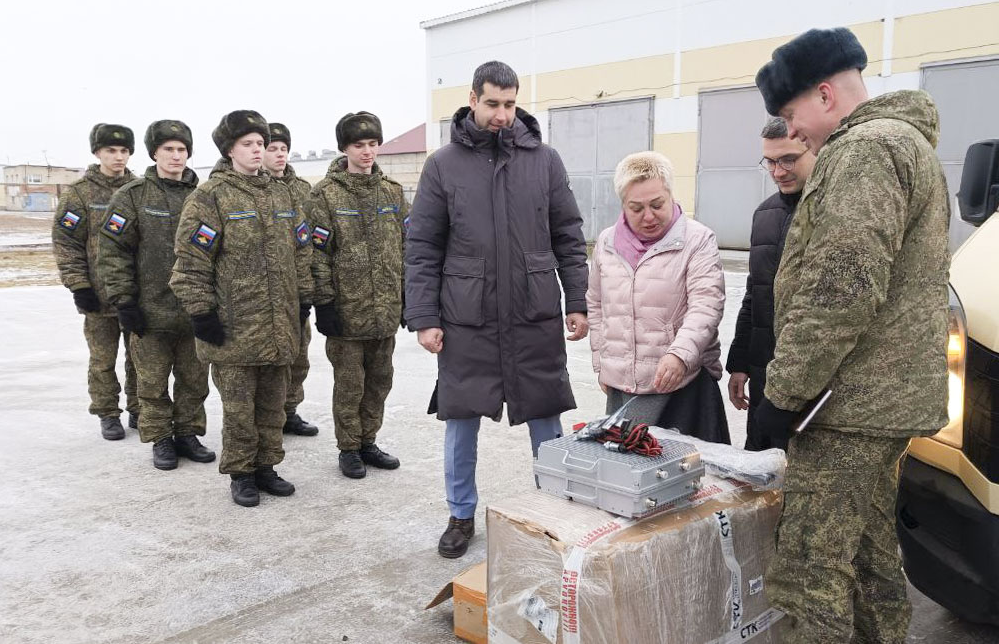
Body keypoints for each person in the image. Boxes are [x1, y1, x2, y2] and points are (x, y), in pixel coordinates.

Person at [753, 27, 951, 643]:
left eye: (792, 116)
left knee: (811, 572)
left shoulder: (866, 149)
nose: (794, 132)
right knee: (869, 557)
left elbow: (840, 289)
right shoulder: (906, 144)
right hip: (876, 402)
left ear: (824, 95)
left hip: (845, 407)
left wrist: (783, 392)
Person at [405, 60, 589, 559]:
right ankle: (460, 513)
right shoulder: (443, 164)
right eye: (492, 104)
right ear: (472, 100)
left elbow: (568, 236)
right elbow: (422, 246)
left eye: (510, 104)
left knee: (546, 416)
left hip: (533, 313)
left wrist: (577, 300)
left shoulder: (544, 160)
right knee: (460, 419)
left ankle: (554, 509)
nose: (502, 115)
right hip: (468, 317)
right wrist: (423, 317)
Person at [170, 111, 314, 508]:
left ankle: (267, 465)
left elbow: (303, 251)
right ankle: (241, 473)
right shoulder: (211, 197)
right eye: (248, 144)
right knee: (238, 409)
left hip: (279, 325)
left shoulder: (283, 195)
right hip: (233, 327)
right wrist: (201, 313)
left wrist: (304, 297)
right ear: (229, 149)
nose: (257, 150)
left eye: (261, 143)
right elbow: (191, 262)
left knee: (272, 404)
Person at [586, 150, 728, 443]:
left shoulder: (697, 240)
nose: (648, 216)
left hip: (681, 382)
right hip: (623, 385)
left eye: (657, 204)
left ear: (670, 194)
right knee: (629, 475)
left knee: (685, 475)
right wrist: (602, 363)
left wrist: (680, 355)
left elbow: (706, 305)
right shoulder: (606, 242)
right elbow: (597, 305)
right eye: (636, 208)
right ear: (623, 204)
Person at [97, 120, 213, 470]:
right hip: (150, 309)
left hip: (195, 308)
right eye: (168, 150)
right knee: (152, 381)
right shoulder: (133, 196)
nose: (176, 156)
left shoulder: (205, 196)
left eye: (181, 150)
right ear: (154, 153)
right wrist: (125, 301)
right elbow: (112, 250)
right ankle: (161, 438)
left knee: (194, 379)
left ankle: (188, 433)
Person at [307, 112, 406, 479]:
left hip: (384, 311)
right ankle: (348, 448)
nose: (367, 152)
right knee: (350, 385)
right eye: (358, 145)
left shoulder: (392, 192)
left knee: (380, 381)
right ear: (344, 148)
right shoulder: (324, 195)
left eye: (372, 144)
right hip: (346, 313)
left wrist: (407, 296)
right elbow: (315, 253)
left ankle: (368, 441)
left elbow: (406, 246)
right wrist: (325, 303)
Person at [725, 117, 814, 451]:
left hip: (810, 383)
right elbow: (754, 293)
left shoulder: (833, 214)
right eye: (771, 162)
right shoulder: (764, 214)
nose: (778, 172)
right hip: (765, 373)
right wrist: (739, 364)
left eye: (788, 160)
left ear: (814, 148)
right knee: (759, 472)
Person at [52, 123, 140, 440]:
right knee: (103, 361)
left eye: (124, 151)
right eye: (110, 151)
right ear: (97, 152)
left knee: (139, 359)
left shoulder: (139, 189)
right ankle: (107, 413)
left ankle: (138, 409)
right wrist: (79, 285)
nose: (118, 157)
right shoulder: (80, 193)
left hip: (134, 295)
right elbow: (66, 243)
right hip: (98, 298)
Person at [263, 122, 319, 438]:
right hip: (267, 291)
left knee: (299, 356)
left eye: (283, 148)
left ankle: (290, 410)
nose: (279, 154)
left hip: (298, 289)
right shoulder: (258, 188)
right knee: (272, 360)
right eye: (273, 148)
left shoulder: (302, 190)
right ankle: (271, 417)